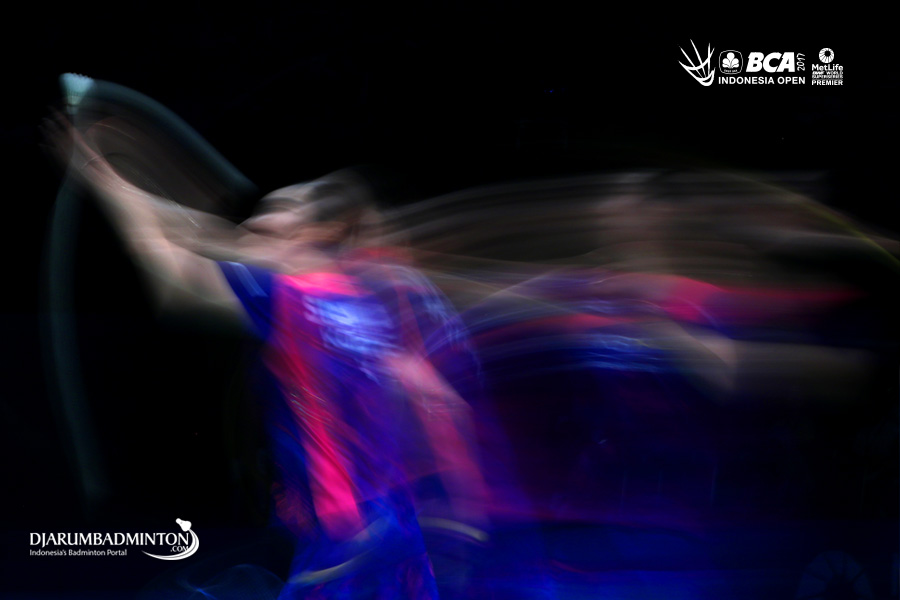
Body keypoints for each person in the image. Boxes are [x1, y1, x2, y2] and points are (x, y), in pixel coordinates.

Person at [46, 112, 488, 599]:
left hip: (347, 543)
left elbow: (173, 266)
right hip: (394, 531)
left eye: (278, 209)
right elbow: (439, 403)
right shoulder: (364, 301)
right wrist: (462, 509)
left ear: (318, 232)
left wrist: (102, 175)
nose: (255, 221)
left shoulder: (291, 296)